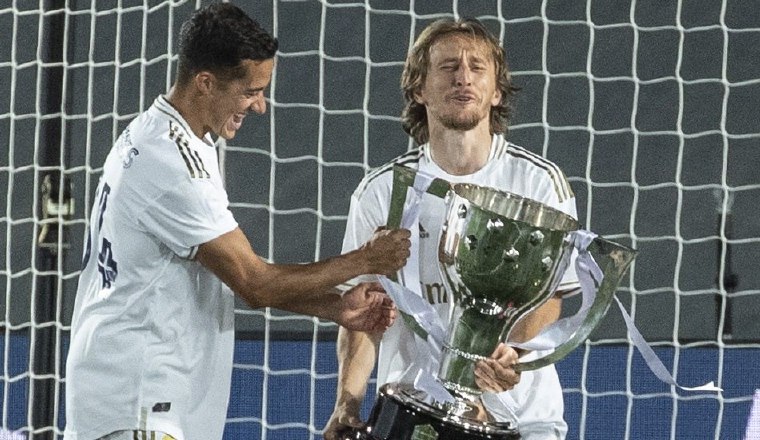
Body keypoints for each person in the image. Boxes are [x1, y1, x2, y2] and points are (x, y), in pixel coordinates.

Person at [63, 4, 411, 440]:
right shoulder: (173, 163)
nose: (260, 105)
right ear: (206, 83)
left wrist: (334, 307)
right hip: (141, 402)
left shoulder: (166, 136)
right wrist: (367, 258)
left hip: (130, 397)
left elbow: (231, 273)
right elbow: (254, 282)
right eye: (251, 91)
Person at [324, 18, 580, 440]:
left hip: (523, 413)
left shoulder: (538, 183)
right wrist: (346, 402)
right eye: (447, 67)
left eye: (477, 67)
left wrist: (511, 351)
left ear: (497, 91)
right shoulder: (382, 191)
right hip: (416, 411)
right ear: (418, 89)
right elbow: (364, 313)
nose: (463, 77)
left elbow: (549, 300)